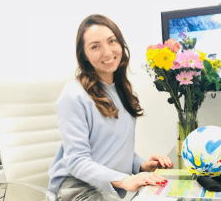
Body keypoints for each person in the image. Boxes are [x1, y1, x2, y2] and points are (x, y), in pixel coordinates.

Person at [48, 14, 174, 200]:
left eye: (111, 41)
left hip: (108, 186)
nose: (107, 52)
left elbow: (113, 150)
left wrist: (141, 165)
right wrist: (124, 180)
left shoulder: (122, 90)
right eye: (95, 46)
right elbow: (76, 161)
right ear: (84, 55)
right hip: (78, 188)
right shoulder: (73, 95)